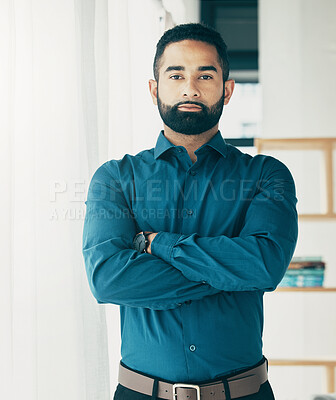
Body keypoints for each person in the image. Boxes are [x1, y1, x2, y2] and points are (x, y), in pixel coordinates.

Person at [82, 23, 298, 400]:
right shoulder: (115, 178)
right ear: (154, 89)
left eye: (205, 74)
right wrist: (230, 269)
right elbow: (108, 279)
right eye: (176, 74)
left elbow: (265, 266)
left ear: (227, 90)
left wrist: (157, 244)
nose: (190, 87)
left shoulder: (266, 175)